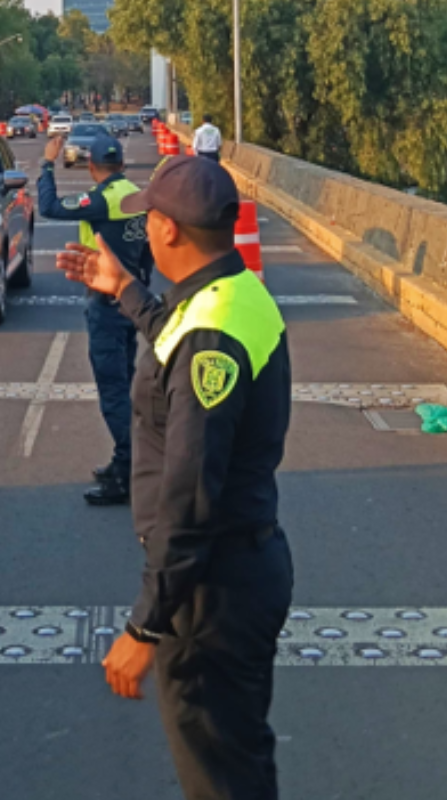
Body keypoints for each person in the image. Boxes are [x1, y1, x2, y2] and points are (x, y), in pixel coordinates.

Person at [57, 156, 293, 800]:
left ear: (168, 232)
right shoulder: (235, 296)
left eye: (149, 220)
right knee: (239, 757)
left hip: (211, 594)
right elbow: (178, 334)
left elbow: (189, 497)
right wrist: (125, 291)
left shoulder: (209, 336)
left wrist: (144, 627)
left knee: (220, 775)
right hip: (241, 572)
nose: (145, 229)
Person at [38, 131, 153, 505]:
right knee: (129, 384)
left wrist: (46, 163)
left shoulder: (101, 199)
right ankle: (126, 462)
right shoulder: (137, 196)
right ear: (121, 164)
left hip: (105, 302)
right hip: (131, 299)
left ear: (91, 168)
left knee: (114, 393)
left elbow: (51, 207)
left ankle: (132, 474)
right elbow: (148, 251)